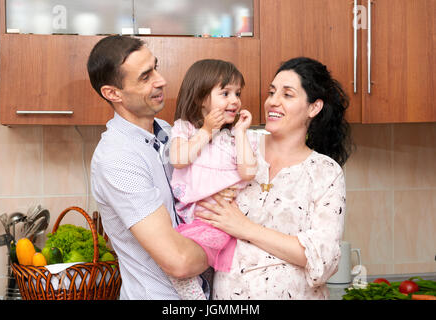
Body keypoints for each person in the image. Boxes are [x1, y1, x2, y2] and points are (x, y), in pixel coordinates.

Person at [197, 57, 353, 299]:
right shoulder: (236, 145)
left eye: (287, 94)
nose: (272, 101)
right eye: (272, 92)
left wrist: (245, 228)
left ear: (313, 108)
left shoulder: (325, 172)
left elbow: (322, 258)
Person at [87, 35, 209, 300]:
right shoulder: (116, 158)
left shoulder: (168, 132)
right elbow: (179, 261)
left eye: (156, 67)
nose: (161, 80)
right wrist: (231, 242)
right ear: (112, 93)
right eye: (145, 77)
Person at [168, 59, 258, 299]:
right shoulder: (185, 129)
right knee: (177, 260)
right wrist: (206, 131)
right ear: (200, 98)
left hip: (218, 221)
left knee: (176, 260)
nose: (235, 100)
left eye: (237, 93)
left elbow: (248, 172)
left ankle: (195, 299)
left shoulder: (232, 137)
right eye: (225, 93)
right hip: (194, 220)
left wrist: (240, 134)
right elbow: (178, 159)